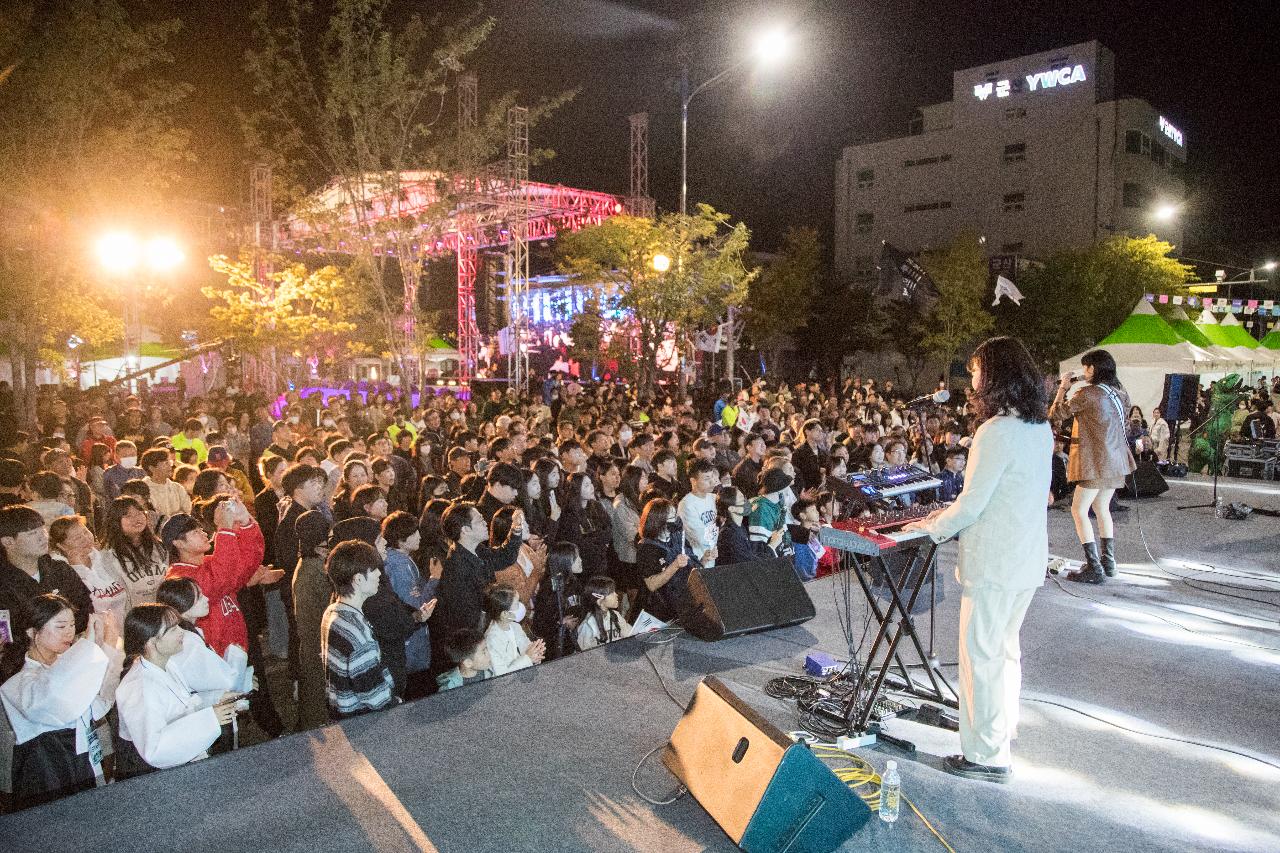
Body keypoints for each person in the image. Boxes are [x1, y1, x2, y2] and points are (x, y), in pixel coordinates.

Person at [902, 336, 1053, 784]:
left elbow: (972, 505)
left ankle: (986, 756)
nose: (972, 382)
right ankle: (999, 733)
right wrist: (941, 516)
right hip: (1025, 559)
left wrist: (927, 527)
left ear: (996, 377)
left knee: (981, 656)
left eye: (975, 373)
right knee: (1004, 652)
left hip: (995, 562)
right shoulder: (1037, 427)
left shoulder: (995, 432)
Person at [0, 595, 124, 809]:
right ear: (32, 632)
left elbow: (98, 702)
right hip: (48, 773)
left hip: (81, 763)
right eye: (60, 626)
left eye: (73, 625)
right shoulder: (19, 683)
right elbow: (56, 700)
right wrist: (89, 647)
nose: (69, 632)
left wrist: (105, 648)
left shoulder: (67, 667)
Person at [114, 603, 239, 777]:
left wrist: (216, 698)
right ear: (151, 642)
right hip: (150, 774)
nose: (182, 632)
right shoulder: (138, 687)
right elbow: (155, 750)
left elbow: (184, 703)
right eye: (173, 630)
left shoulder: (166, 664)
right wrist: (210, 720)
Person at [1050, 349, 1136, 584]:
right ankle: (1108, 562)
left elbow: (1056, 414)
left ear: (1094, 369)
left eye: (1087, 367)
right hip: (1117, 461)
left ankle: (1094, 566)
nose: (1084, 371)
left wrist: (1063, 388)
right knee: (1102, 507)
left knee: (1078, 510)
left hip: (1097, 460)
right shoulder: (1120, 393)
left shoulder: (1088, 394)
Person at [162, 500, 273, 657]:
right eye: (195, 532)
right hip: (213, 657)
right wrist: (224, 530)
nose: (204, 533)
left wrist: (245, 521)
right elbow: (220, 580)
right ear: (178, 543)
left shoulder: (211, 562)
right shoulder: (179, 578)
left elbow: (248, 562)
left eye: (201, 529)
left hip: (237, 650)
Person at [321, 540, 395, 719]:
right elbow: (375, 698)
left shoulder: (332, 611)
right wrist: (395, 701)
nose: (379, 573)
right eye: (373, 569)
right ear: (358, 579)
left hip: (342, 714)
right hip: (364, 720)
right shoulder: (356, 633)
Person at [0, 506, 94, 637]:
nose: (43, 537)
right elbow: (8, 636)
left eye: (42, 529)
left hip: (73, 648)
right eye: (32, 533)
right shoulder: (4, 584)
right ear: (8, 542)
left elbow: (85, 609)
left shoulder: (59, 569)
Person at [381, 510, 438, 698]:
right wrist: (434, 579)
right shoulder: (400, 567)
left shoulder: (399, 559)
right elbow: (416, 605)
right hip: (412, 647)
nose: (419, 536)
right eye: (414, 533)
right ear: (401, 540)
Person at [291, 510, 334, 730]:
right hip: (318, 647)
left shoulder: (309, 566)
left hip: (315, 645)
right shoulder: (313, 573)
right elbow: (315, 617)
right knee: (318, 709)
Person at [634, 498, 689, 623]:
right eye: (672, 517)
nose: (676, 520)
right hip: (656, 613)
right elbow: (652, 584)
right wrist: (675, 565)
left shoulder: (676, 538)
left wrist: (705, 558)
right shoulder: (646, 549)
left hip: (676, 606)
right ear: (659, 521)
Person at [482, 582, 545, 675]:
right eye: (516, 604)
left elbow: (526, 646)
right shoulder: (492, 639)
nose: (521, 606)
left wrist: (535, 653)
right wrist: (528, 658)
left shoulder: (516, 627)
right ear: (504, 614)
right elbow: (501, 674)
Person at [677, 459, 720, 569]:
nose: (711, 482)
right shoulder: (687, 505)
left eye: (712, 477)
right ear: (693, 480)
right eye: (706, 478)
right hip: (699, 561)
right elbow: (700, 537)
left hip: (715, 558)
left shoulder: (714, 498)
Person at [575, 575, 632, 651]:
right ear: (599, 601)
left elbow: (629, 634)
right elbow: (583, 657)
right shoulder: (588, 625)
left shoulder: (615, 615)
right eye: (611, 593)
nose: (616, 595)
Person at [140, 448, 192, 523]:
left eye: (170, 462)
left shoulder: (177, 487)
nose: (170, 466)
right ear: (152, 468)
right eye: (165, 463)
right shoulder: (142, 489)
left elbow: (187, 510)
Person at [436, 628, 493, 692]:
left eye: (486, 649)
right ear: (468, 663)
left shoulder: (489, 672)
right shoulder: (449, 688)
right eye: (484, 652)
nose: (489, 654)